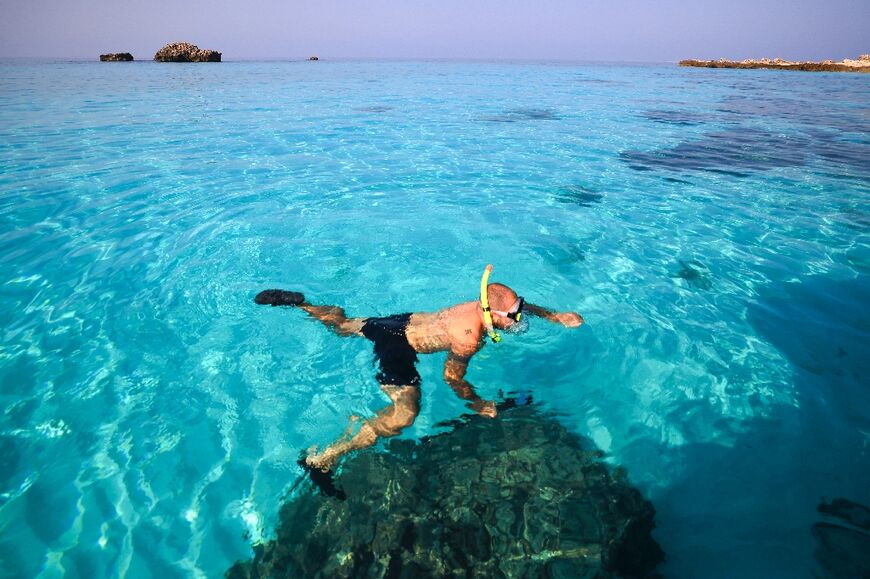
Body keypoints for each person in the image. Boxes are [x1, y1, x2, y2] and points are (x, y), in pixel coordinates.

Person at [255, 265, 583, 484]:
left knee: (343, 325)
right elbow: (452, 377)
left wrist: (554, 316)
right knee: (404, 416)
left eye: (520, 308)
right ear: (493, 313)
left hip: (402, 322)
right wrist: (478, 403)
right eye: (514, 314)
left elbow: (514, 304)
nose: (519, 316)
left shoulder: (482, 306)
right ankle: (324, 458)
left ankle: (300, 304)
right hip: (398, 344)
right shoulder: (468, 336)